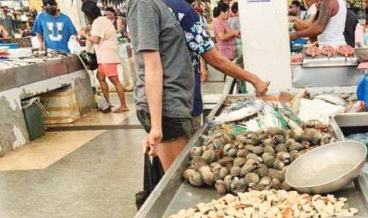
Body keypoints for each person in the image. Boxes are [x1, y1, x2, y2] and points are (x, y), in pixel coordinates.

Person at [164, 0, 268, 121]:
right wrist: (255, 80)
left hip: (152, 101)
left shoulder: (151, 6)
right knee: (188, 138)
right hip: (179, 103)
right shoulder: (183, 10)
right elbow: (215, 59)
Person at [127, 0, 195, 169]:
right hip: (166, 110)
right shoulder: (142, 4)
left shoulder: (156, 4)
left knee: (177, 175)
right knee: (176, 182)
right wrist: (156, 127)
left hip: (173, 105)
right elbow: (151, 66)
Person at [81, 3, 128, 113]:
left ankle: (123, 105)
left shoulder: (99, 22)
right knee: (100, 77)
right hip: (104, 56)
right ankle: (107, 103)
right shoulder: (101, 20)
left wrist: (84, 35)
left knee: (114, 80)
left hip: (107, 55)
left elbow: (96, 40)